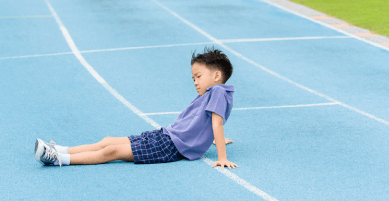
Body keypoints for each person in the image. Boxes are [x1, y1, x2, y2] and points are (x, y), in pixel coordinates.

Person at [34, 46, 238, 169]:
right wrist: (212, 137)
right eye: (193, 78)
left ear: (217, 76)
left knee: (111, 151)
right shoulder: (212, 94)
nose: (195, 82)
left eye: (198, 77)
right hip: (165, 136)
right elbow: (206, 123)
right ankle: (59, 149)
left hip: (171, 146)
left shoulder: (218, 92)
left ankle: (58, 158)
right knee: (108, 141)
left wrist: (222, 157)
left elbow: (216, 122)